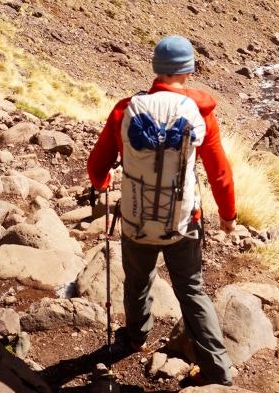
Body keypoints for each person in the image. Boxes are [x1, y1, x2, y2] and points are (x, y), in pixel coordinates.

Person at [87, 35, 236, 386]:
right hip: (184, 223)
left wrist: (104, 182)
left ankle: (135, 337)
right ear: (188, 70)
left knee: (138, 280)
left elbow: (97, 167)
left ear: (155, 68)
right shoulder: (200, 114)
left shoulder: (126, 110)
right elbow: (220, 173)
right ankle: (218, 372)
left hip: (136, 220)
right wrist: (228, 215)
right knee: (191, 289)